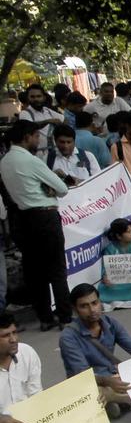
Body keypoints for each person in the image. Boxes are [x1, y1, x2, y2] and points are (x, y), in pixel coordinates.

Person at [0, 120, 72, 330]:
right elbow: (62, 188)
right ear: (27, 136)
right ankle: (66, 318)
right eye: (36, 136)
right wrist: (49, 186)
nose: (38, 139)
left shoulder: (4, 161)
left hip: (22, 218)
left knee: (35, 272)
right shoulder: (30, 160)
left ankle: (45, 318)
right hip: (44, 216)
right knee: (57, 270)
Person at [58, 283, 131, 417]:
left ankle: (115, 401)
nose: (92, 309)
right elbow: (83, 375)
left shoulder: (110, 323)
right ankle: (125, 399)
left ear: (100, 302)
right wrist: (108, 381)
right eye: (84, 306)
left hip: (112, 376)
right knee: (96, 392)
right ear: (75, 310)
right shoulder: (68, 337)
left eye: (94, 303)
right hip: (88, 382)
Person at [0, 311, 41, 423]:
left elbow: (36, 394)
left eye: (15, 332)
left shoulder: (27, 353)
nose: (14, 339)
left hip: (25, 421)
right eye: (5, 336)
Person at [16, 83, 63, 156]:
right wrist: (48, 121)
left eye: (38, 96)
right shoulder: (25, 113)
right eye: (32, 97)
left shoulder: (47, 110)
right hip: (37, 154)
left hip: (55, 152)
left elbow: (64, 120)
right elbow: (30, 127)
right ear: (28, 98)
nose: (36, 99)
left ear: (44, 97)